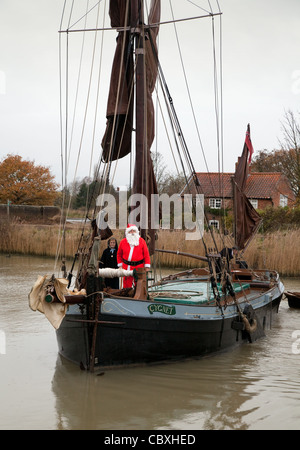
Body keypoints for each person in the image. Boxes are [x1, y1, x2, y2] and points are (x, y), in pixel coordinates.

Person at [117, 224, 151, 288]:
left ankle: (138, 296)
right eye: (130, 231)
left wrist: (147, 266)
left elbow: (146, 254)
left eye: (134, 231)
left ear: (136, 232)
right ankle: (127, 295)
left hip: (139, 266)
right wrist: (120, 265)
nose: (132, 233)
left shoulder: (142, 241)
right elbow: (119, 254)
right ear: (127, 232)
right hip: (126, 267)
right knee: (126, 285)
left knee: (139, 284)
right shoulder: (123, 242)